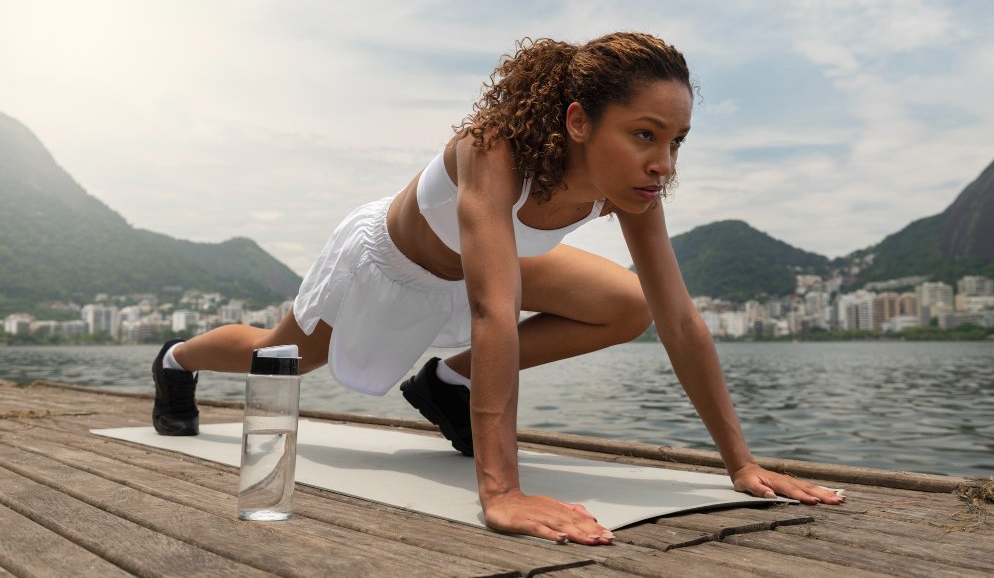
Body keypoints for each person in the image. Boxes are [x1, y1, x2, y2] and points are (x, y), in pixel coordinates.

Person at [151, 32, 846, 546]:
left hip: (488, 269)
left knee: (630, 303)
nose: (662, 164)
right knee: (288, 357)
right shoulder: (493, 148)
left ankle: (445, 386)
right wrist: (500, 492)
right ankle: (176, 362)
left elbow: (680, 321)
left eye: (677, 141)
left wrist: (742, 464)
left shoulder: (635, 189)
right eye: (644, 134)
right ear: (578, 121)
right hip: (391, 268)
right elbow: (493, 312)